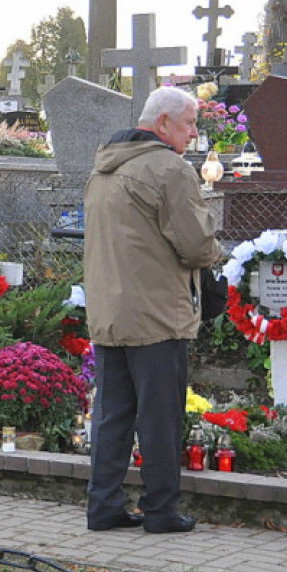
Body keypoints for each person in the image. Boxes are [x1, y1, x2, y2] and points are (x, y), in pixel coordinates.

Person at [83, 86, 223, 534]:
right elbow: (197, 245)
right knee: (160, 416)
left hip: (109, 312)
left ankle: (103, 506)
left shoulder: (103, 167)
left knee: (112, 416)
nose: (194, 133)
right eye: (188, 124)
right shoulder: (168, 168)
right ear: (163, 123)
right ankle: (161, 511)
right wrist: (216, 250)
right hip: (157, 314)